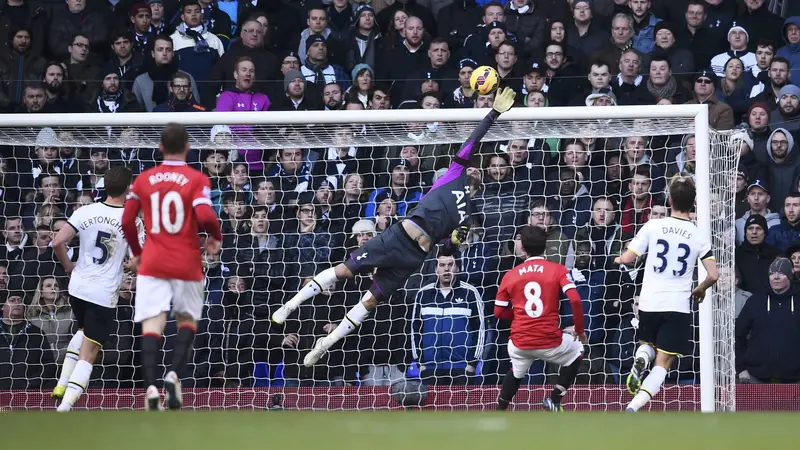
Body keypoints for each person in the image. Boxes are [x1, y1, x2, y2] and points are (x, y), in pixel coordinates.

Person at [271, 87, 517, 366]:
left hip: (415, 257)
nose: (474, 170)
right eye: (473, 167)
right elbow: (473, 140)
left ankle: (326, 343)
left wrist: (455, 243)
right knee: (345, 271)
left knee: (371, 301)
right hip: (399, 236)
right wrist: (493, 113)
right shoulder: (453, 174)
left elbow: (445, 250)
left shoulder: (469, 214)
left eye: (478, 171)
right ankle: (290, 305)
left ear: (482, 179)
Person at [121, 123, 223, 410]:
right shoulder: (196, 178)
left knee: (152, 323)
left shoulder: (144, 178)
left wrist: (139, 252)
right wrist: (215, 237)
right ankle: (174, 374)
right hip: (186, 261)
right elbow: (205, 214)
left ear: (160, 147)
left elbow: (127, 221)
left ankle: (151, 387)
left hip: (153, 260)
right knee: (187, 320)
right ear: (188, 147)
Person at [614, 176, 718, 412]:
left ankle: (640, 358)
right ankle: (633, 407)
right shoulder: (698, 234)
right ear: (693, 203)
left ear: (670, 199)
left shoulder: (653, 225)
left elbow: (629, 259)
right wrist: (700, 290)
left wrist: (617, 258)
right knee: (663, 362)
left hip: (649, 302)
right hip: (677, 305)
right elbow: (713, 275)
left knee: (648, 343)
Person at [49, 166, 136, 411]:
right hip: (103, 292)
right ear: (128, 188)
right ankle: (64, 408)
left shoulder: (84, 211)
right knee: (90, 352)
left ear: (104, 186)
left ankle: (61, 383)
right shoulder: (131, 220)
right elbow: (139, 260)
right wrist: (128, 266)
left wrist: (68, 265)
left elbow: (57, 242)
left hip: (77, 287)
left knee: (83, 330)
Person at [493, 225, 587, 411]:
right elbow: (575, 300)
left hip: (520, 342)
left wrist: (520, 316)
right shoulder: (557, 270)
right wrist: (579, 330)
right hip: (549, 341)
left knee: (517, 370)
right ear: (545, 247)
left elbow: (498, 312)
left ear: (524, 248)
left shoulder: (510, 275)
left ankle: (499, 411)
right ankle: (554, 399)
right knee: (578, 350)